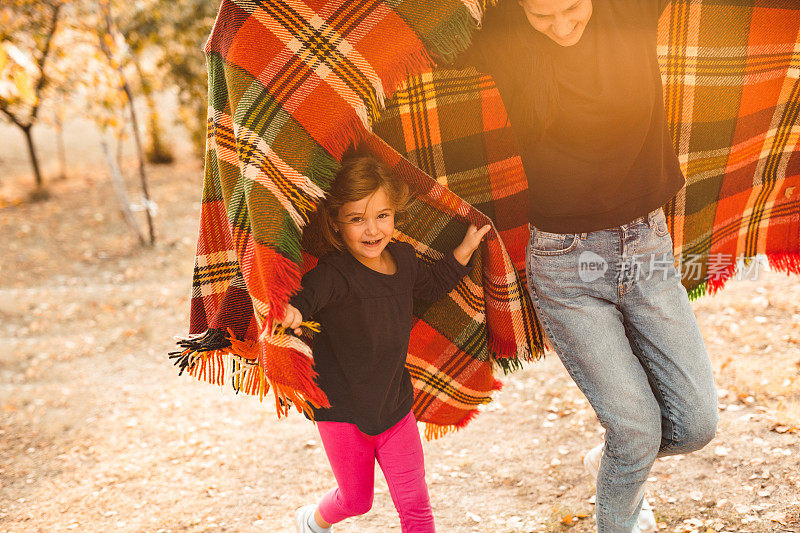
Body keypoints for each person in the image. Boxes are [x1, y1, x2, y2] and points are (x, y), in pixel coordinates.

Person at [458, 1, 719, 531]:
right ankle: (625, 481)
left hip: (646, 247)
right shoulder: (501, 36)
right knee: (637, 427)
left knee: (695, 426)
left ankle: (618, 464)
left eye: (572, 8)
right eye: (542, 16)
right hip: (565, 264)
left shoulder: (631, 12)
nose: (561, 27)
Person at [282, 154, 490, 533]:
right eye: (357, 218)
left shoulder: (404, 259)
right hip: (341, 411)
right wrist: (293, 311)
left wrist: (463, 251)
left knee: (415, 506)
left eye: (382, 215)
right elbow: (304, 299)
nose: (372, 229)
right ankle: (311, 521)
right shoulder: (333, 274)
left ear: (395, 215)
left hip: (395, 406)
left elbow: (430, 287)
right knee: (356, 501)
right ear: (336, 223)